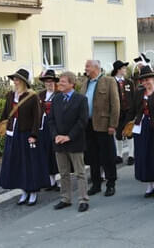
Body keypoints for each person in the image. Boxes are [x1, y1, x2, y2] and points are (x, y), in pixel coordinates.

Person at [0, 68, 50, 206]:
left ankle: (33, 191)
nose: (14, 81)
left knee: (30, 163)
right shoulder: (10, 95)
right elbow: (5, 113)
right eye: (14, 79)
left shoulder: (32, 97)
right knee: (17, 163)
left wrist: (34, 135)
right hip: (13, 133)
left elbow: (37, 117)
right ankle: (23, 191)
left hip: (26, 134)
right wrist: (3, 126)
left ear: (23, 81)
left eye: (17, 79)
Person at [49, 72, 90, 213]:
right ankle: (65, 198)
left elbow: (82, 121)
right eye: (59, 81)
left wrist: (69, 136)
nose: (59, 84)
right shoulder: (56, 99)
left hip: (75, 141)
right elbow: (51, 120)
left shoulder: (81, 99)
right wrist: (56, 136)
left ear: (72, 84)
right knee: (63, 172)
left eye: (63, 82)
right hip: (59, 142)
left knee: (80, 172)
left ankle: (83, 199)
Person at [126, 66, 154, 198]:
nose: (146, 82)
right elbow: (132, 110)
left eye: (148, 79)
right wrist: (125, 126)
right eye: (143, 80)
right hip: (142, 127)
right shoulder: (139, 93)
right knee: (144, 156)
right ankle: (149, 184)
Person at [81, 60, 120, 197]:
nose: (85, 68)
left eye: (88, 66)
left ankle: (111, 183)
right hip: (89, 124)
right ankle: (96, 183)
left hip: (104, 124)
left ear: (96, 68)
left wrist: (113, 124)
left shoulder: (108, 81)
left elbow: (115, 104)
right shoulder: (86, 82)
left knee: (107, 156)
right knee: (92, 156)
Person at [38, 69, 60, 192]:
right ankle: (51, 181)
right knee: (46, 153)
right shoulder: (40, 95)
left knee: (57, 153)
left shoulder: (59, 94)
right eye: (47, 81)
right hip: (43, 127)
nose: (49, 84)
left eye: (51, 81)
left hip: (56, 126)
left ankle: (61, 180)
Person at [111, 60, 135, 166]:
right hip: (117, 112)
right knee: (119, 134)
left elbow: (133, 97)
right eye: (124, 68)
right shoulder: (111, 83)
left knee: (130, 133)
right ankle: (119, 155)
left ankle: (131, 155)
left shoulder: (129, 82)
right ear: (118, 70)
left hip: (129, 112)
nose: (125, 70)